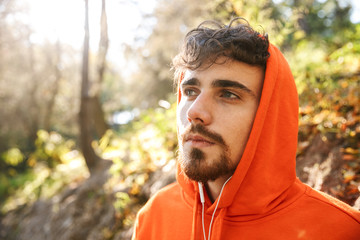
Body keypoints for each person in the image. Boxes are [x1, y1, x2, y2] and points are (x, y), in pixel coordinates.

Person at [131, 18, 360, 240]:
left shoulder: (340, 231)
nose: (195, 112)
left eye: (228, 94)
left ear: (269, 114)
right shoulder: (153, 218)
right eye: (191, 91)